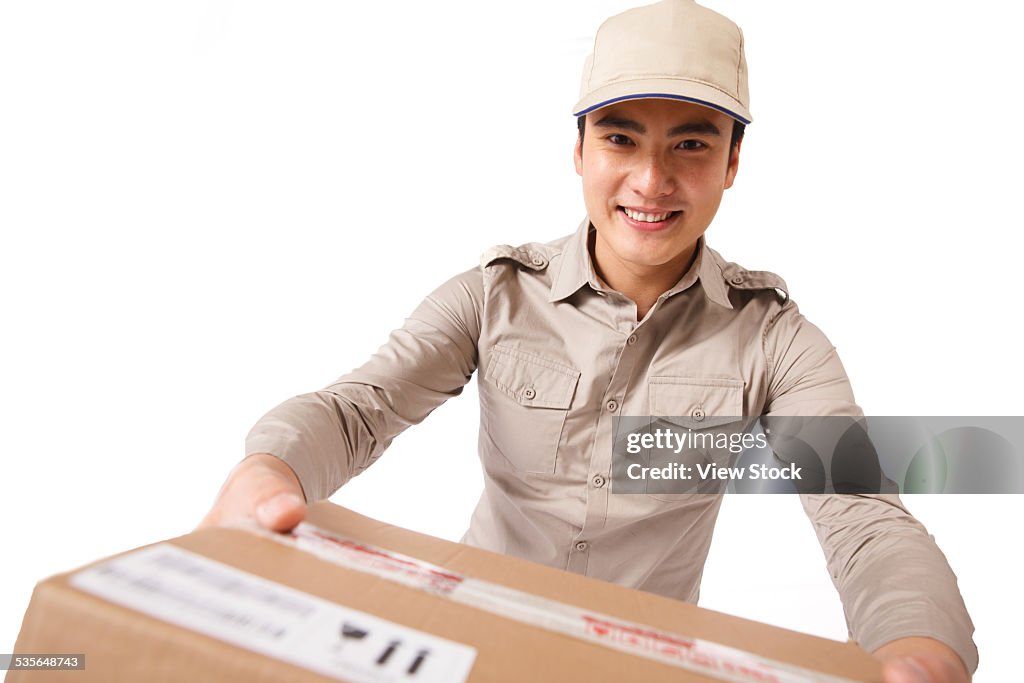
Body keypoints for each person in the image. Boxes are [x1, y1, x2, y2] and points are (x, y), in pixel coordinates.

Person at [199, 1, 976, 680]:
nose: (649, 181)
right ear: (579, 151)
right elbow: (357, 409)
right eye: (621, 138)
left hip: (641, 665)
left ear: (734, 161)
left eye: (692, 145)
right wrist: (270, 467)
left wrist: (921, 647)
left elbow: (863, 516)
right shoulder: (492, 296)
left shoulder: (777, 341)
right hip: (465, 644)